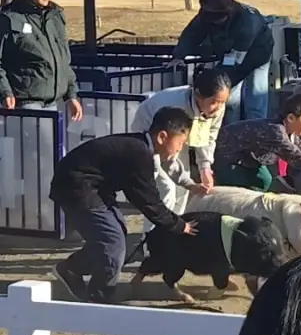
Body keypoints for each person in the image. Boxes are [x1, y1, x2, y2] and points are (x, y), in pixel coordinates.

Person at [50, 107, 198, 303]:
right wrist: (178, 225)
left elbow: (141, 196)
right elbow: (148, 201)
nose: (180, 148)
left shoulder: (139, 148)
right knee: (111, 240)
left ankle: (72, 269)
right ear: (162, 137)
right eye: (180, 143)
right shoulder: (139, 153)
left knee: (116, 233)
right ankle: (99, 295)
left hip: (91, 186)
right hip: (76, 187)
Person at [174, 0, 274, 124]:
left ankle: (255, 129)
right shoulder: (207, 14)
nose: (215, 23)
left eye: (218, 20)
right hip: (230, 52)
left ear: (227, 15)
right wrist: (179, 55)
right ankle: (231, 130)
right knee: (229, 100)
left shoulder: (247, 23)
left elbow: (234, 64)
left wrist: (218, 81)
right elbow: (191, 34)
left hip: (258, 52)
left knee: (255, 97)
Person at [0, 0, 83, 121]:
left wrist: (71, 95)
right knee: (42, 137)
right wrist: (5, 92)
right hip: (25, 102)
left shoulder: (56, 16)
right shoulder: (8, 19)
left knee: (58, 138)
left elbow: (64, 60)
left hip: (55, 102)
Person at [213, 95, 301, 191]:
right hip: (226, 157)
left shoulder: (289, 133)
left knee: (263, 180)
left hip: (248, 158)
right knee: (238, 185)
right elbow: (295, 155)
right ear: (291, 118)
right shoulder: (276, 132)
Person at [130, 68, 233, 190]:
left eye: (223, 102)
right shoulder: (175, 106)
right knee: (165, 185)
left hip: (177, 135)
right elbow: (167, 152)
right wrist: (186, 182)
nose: (219, 107)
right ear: (198, 95)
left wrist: (205, 166)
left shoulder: (217, 108)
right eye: (214, 102)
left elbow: (209, 135)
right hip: (152, 133)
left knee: (183, 180)